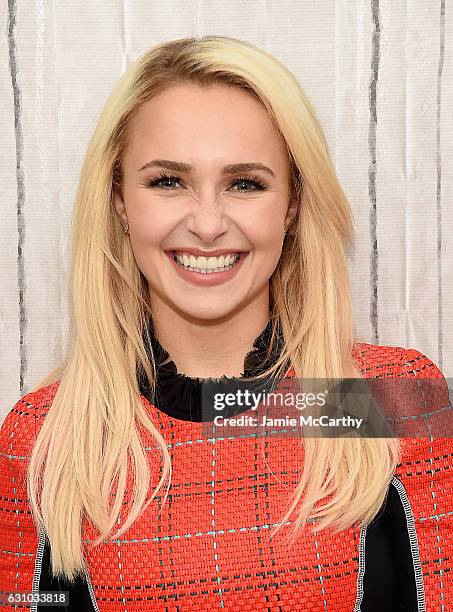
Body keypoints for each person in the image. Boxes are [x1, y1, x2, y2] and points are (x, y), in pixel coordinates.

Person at [0, 35, 451, 611]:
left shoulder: (392, 401)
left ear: (290, 204)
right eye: (168, 181)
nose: (208, 225)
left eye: (245, 183)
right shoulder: (43, 438)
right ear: (119, 199)